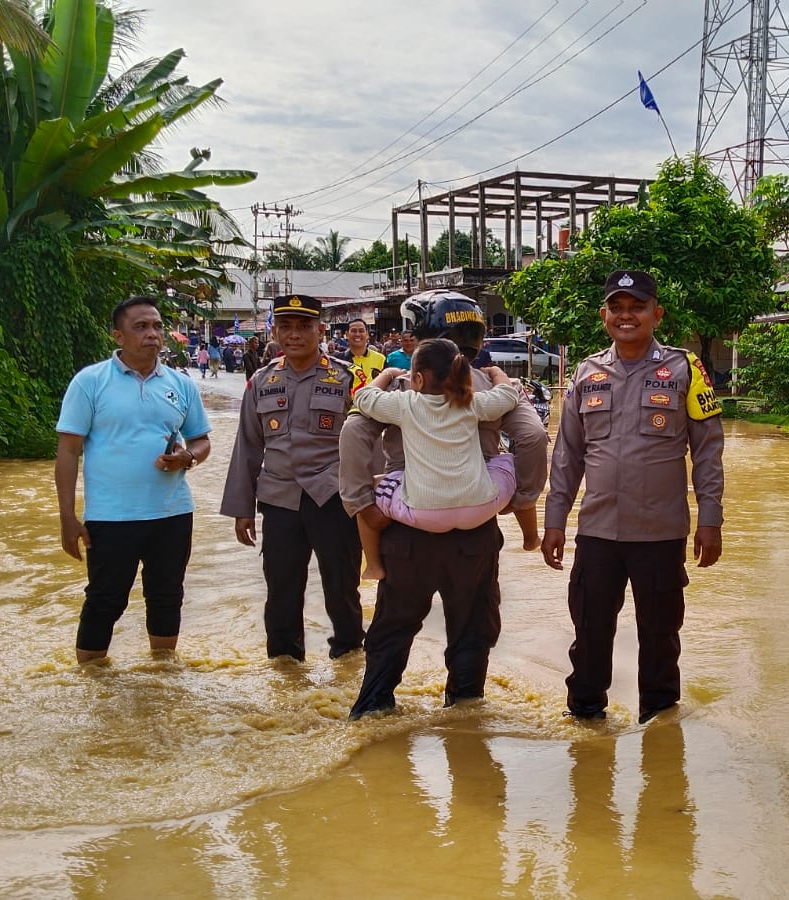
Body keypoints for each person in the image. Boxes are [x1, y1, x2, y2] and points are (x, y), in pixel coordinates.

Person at [342, 290, 549, 718]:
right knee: (473, 629)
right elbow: (531, 438)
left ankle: (373, 711)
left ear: (419, 337)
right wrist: (518, 499)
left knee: (393, 629)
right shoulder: (489, 387)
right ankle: (466, 719)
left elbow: (353, 435)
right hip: (474, 532)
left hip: (408, 529)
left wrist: (364, 503)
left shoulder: (404, 387)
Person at [542, 270, 724, 723]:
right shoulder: (587, 373)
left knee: (661, 639)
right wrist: (554, 520)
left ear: (656, 314)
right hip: (598, 533)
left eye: (637, 307)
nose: (627, 316)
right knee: (590, 636)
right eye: (617, 307)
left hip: (660, 534)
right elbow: (567, 454)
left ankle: (659, 730)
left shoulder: (686, 369)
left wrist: (711, 519)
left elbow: (708, 451)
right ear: (605, 315)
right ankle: (585, 724)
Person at [54, 295, 213, 663]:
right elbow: (67, 452)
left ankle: (162, 678)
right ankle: (93, 685)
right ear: (118, 336)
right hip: (110, 517)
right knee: (105, 599)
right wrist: (67, 518)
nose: (152, 334)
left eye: (157, 326)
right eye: (140, 327)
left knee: (167, 596)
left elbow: (201, 440)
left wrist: (187, 458)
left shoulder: (180, 384)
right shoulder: (90, 383)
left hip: (172, 513)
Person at [220, 294, 367, 661]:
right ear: (275, 331)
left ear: (320, 329)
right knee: (282, 591)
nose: (294, 335)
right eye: (286, 327)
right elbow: (248, 447)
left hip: (334, 498)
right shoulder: (261, 381)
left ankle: (349, 659)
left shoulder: (348, 378)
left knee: (342, 588)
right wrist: (243, 509)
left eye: (304, 327)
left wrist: (372, 502)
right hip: (280, 500)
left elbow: (370, 442)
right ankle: (285, 670)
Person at [352, 339, 536, 581]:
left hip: (423, 514)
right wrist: (495, 372)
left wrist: (387, 374)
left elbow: (363, 397)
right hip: (480, 509)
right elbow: (507, 395)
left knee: (366, 494)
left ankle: (373, 565)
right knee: (508, 460)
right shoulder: (470, 403)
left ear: (416, 380)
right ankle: (531, 536)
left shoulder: (405, 404)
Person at [344, 320, 388, 384]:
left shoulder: (380, 359)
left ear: (367, 334)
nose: (357, 334)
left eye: (361, 331)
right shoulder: (339, 360)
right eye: (353, 331)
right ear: (347, 335)